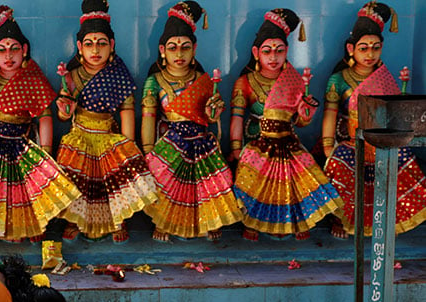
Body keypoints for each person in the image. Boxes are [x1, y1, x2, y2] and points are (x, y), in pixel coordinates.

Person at [0, 5, 81, 244]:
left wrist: (46, 151)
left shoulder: (34, 80)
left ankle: (30, 225)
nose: (8, 56)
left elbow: (45, 116)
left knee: (25, 189)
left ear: (24, 50)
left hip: (23, 142)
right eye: (2, 50)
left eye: (14, 49)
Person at [229, 8, 343, 241]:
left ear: (287, 51)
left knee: (299, 179)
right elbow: (237, 118)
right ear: (256, 52)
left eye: (279, 51)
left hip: (288, 140)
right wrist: (235, 149)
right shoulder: (245, 82)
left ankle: (297, 222)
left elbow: (299, 123)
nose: (273, 57)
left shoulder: (294, 80)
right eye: (267, 51)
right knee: (253, 181)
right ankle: (252, 222)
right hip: (257, 142)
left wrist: (306, 115)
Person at [56, 0, 158, 244]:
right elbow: (63, 114)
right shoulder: (70, 77)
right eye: (89, 44)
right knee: (76, 181)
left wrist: (127, 144)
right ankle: (74, 221)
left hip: (108, 136)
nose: (95, 50)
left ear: (112, 45)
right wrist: (64, 110)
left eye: (102, 43)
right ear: (79, 47)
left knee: (112, 183)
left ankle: (117, 220)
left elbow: (126, 110)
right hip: (80, 135)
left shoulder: (118, 75)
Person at [322, 2, 426, 239]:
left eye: (376, 48)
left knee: (404, 162)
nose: (370, 54)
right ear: (351, 49)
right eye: (363, 48)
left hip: (380, 141)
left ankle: (392, 219)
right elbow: (329, 114)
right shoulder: (339, 80)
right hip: (350, 142)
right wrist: (328, 146)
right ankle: (342, 219)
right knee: (339, 166)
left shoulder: (385, 78)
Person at [141, 1, 242, 242]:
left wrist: (214, 113)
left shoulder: (202, 79)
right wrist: (146, 152)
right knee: (166, 182)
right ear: (162, 50)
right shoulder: (154, 81)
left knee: (208, 184)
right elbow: (148, 118)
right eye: (173, 47)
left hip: (201, 142)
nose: (179, 54)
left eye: (185, 47)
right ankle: (164, 222)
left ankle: (209, 220)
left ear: (194, 49)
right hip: (170, 142)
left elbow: (210, 119)